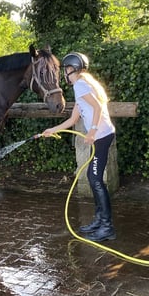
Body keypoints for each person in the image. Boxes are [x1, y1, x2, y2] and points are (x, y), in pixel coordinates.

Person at [42, 52, 117, 242]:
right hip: (101, 135)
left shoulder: (81, 84)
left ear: (72, 69)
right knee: (94, 178)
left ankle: (107, 227)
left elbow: (99, 108)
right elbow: (73, 119)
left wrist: (91, 131)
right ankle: (100, 220)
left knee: (95, 179)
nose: (64, 74)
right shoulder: (82, 85)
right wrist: (52, 129)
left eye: (66, 69)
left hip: (101, 136)